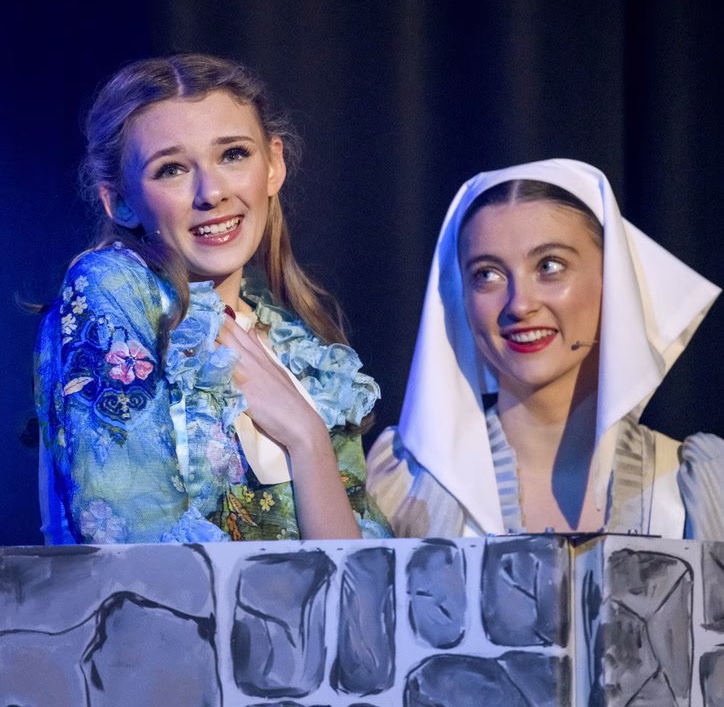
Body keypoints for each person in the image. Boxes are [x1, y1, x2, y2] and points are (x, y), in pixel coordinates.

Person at [35, 54, 388, 544]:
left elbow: (358, 571)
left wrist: (308, 438)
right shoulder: (110, 290)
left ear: (274, 164)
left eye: (233, 154)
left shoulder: (300, 344)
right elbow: (137, 543)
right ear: (121, 202)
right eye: (171, 169)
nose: (212, 192)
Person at [367, 158, 724, 539]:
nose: (520, 304)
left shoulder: (701, 487)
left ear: (614, 280)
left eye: (549, 266)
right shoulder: (404, 485)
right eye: (487, 274)